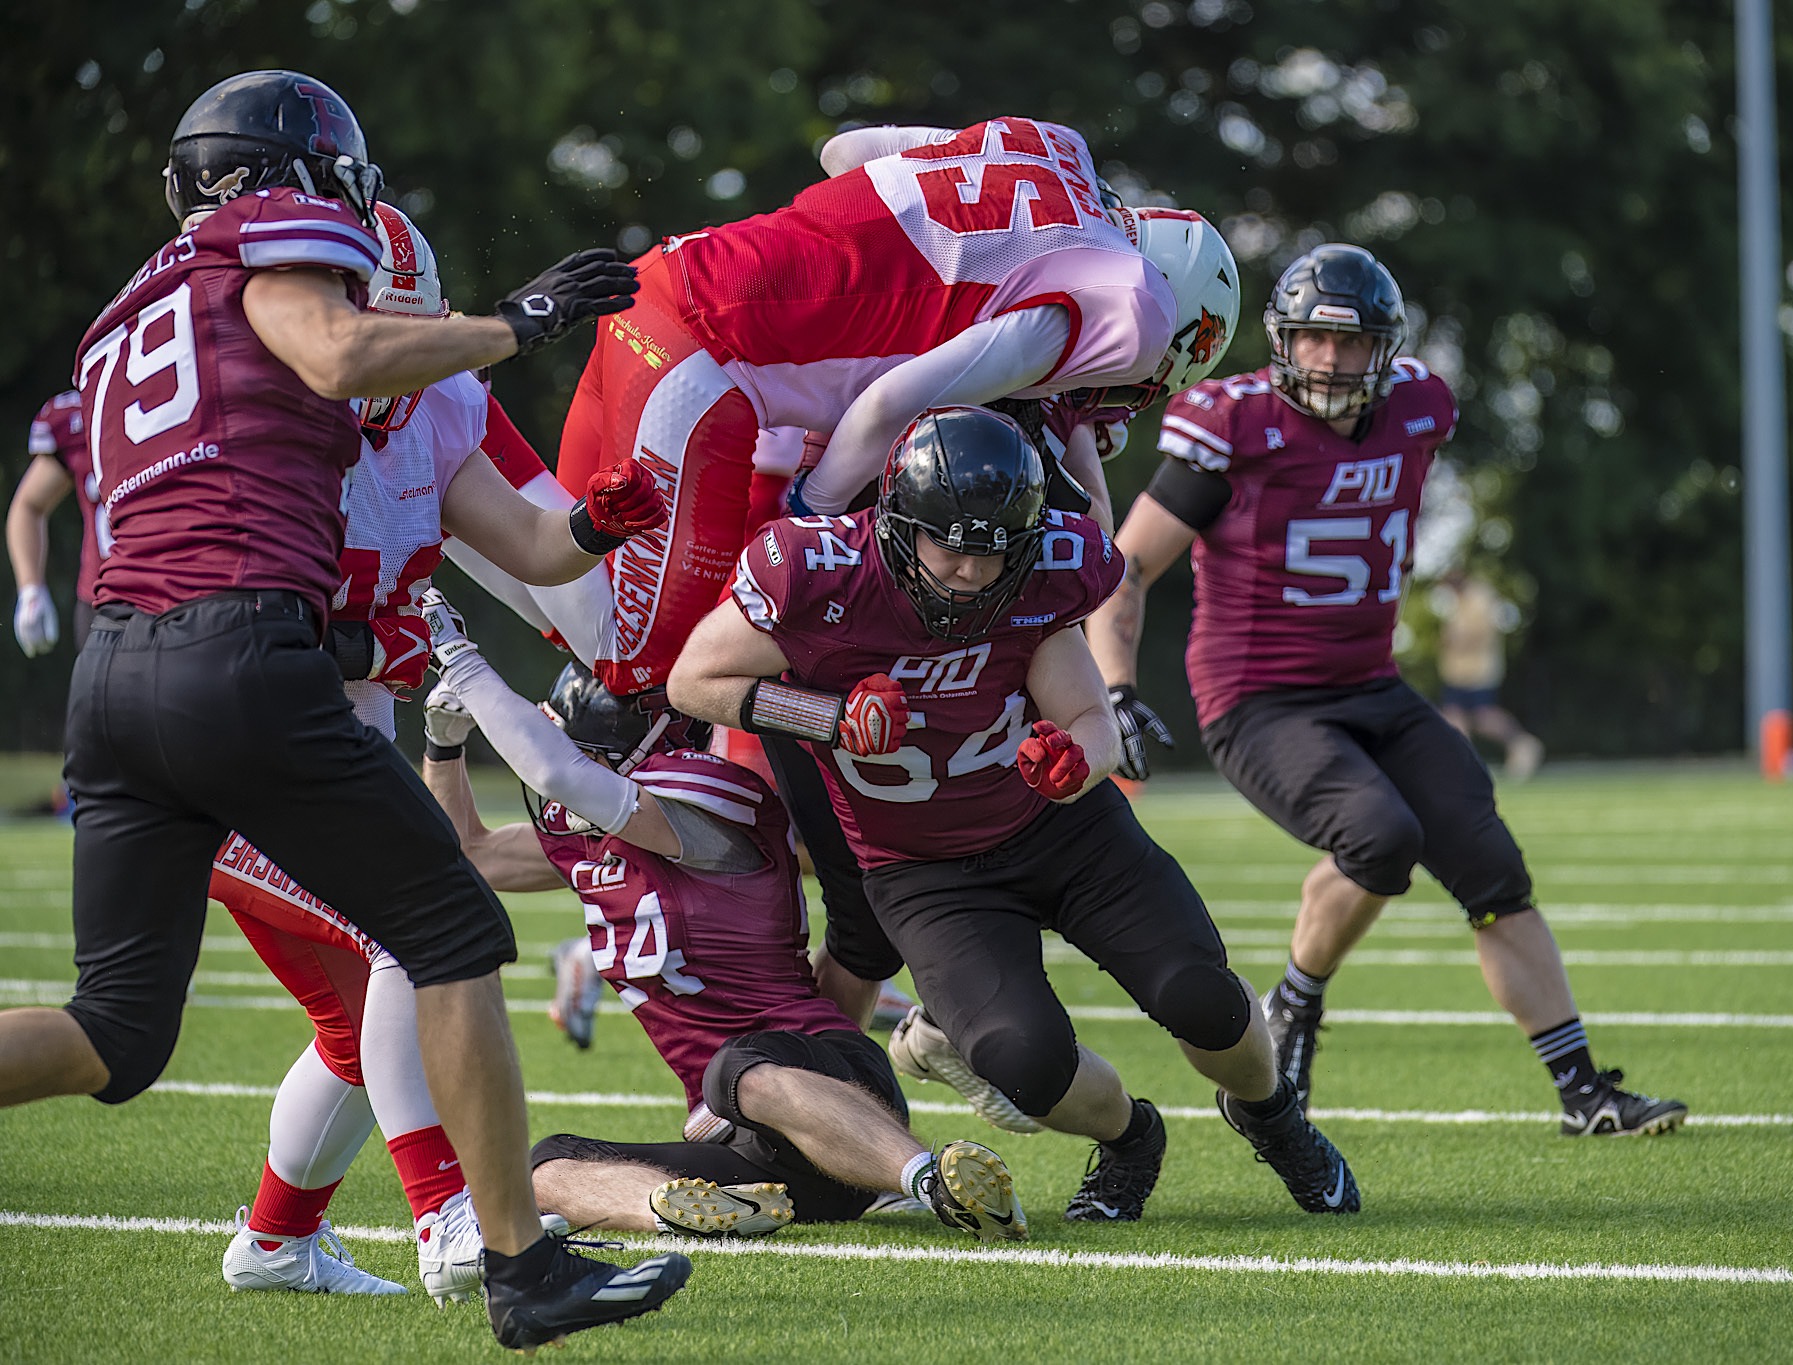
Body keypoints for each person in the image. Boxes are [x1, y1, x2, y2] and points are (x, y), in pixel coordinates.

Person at [0, 70, 688, 1349]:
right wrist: (519, 318)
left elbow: (504, 537)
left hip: (118, 679)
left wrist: (588, 520)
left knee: (117, 1029)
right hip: (237, 663)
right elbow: (332, 349)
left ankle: (309, 1235)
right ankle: (510, 1260)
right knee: (451, 928)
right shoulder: (276, 247)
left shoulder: (125, 321)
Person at [668, 405, 1358, 1222]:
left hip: (1062, 830)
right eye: (949, 544)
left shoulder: (1042, 573)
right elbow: (693, 680)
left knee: (1198, 994)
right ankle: (1133, 1135)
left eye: (990, 549)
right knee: (1020, 1059)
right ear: (898, 524)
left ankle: (1272, 1115)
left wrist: (1079, 760)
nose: (967, 570)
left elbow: (1093, 720)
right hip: (924, 872)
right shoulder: (818, 571)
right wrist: (831, 716)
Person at [1086, 242, 1687, 1137]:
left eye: (1353, 343)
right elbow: (1124, 568)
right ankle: (1297, 1004)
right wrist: (1119, 690)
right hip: (1258, 700)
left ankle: (1582, 1090)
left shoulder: (1418, 408)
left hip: (1371, 684)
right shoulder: (1234, 425)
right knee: (1380, 835)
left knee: (1492, 868)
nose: (1331, 361)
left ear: (1387, 348)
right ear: (1284, 342)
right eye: (1314, 342)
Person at [208, 202, 664, 1302]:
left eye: (421, 338)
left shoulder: (440, 401)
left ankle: (274, 1242)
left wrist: (603, 522)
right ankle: (447, 1218)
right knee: (412, 940)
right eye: (383, 338)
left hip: (330, 748)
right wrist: (369, 635)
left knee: (351, 1025)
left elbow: (528, 545)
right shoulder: (254, 414)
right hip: (230, 750)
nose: (397, 371)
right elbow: (221, 617)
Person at [556, 115, 1239, 698]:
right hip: (705, 361)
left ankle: (470, 441)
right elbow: (888, 404)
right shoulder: (1130, 308)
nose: (1105, 397)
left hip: (668, 274)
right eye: (1134, 385)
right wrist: (813, 512)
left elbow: (843, 153)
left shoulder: (1052, 148)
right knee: (653, 669)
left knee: (561, 561)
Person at [412, 607, 1027, 1243]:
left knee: (737, 1070)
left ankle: (929, 1181)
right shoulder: (589, 836)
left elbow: (573, 781)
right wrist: (443, 745)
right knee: (540, 1168)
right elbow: (468, 852)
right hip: (752, 1148)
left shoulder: (702, 809)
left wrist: (468, 665)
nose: (556, 763)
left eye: (582, 749)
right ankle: (685, 1209)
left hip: (826, 1075)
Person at [8, 388, 100, 656]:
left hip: (183, 598)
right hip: (103, 609)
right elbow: (29, 505)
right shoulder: (85, 413)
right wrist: (30, 590)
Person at [1435, 566, 1545, 781]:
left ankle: (1522, 743)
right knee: (1453, 717)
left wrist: (1457, 640)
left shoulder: (1480, 598)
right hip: (1457, 672)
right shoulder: (1458, 602)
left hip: (1478, 671)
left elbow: (1479, 633)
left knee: (1484, 718)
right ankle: (1461, 764)